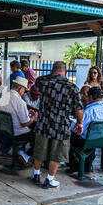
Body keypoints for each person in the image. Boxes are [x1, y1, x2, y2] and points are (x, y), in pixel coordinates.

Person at [31, 61, 84, 189]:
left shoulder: (41, 81)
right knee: (57, 152)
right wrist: (80, 123)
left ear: (52, 70)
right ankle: (49, 179)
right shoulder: (72, 87)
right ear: (65, 72)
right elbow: (79, 108)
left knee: (39, 149)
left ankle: (36, 174)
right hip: (61, 125)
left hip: (43, 122)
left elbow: (34, 91)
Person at [66, 87, 103, 174]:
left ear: (90, 97)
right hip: (102, 140)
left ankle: (74, 166)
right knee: (89, 136)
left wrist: (68, 121)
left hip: (85, 141)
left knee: (66, 137)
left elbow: (79, 128)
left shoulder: (90, 110)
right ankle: (87, 165)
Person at [0, 76, 38, 165]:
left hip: (5, 130)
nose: (24, 92)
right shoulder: (20, 102)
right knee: (40, 137)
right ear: (20, 89)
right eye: (24, 90)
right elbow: (24, 123)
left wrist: (27, 112)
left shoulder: (4, 96)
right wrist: (33, 118)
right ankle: (25, 155)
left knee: (34, 128)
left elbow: (12, 111)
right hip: (17, 133)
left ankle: (21, 152)